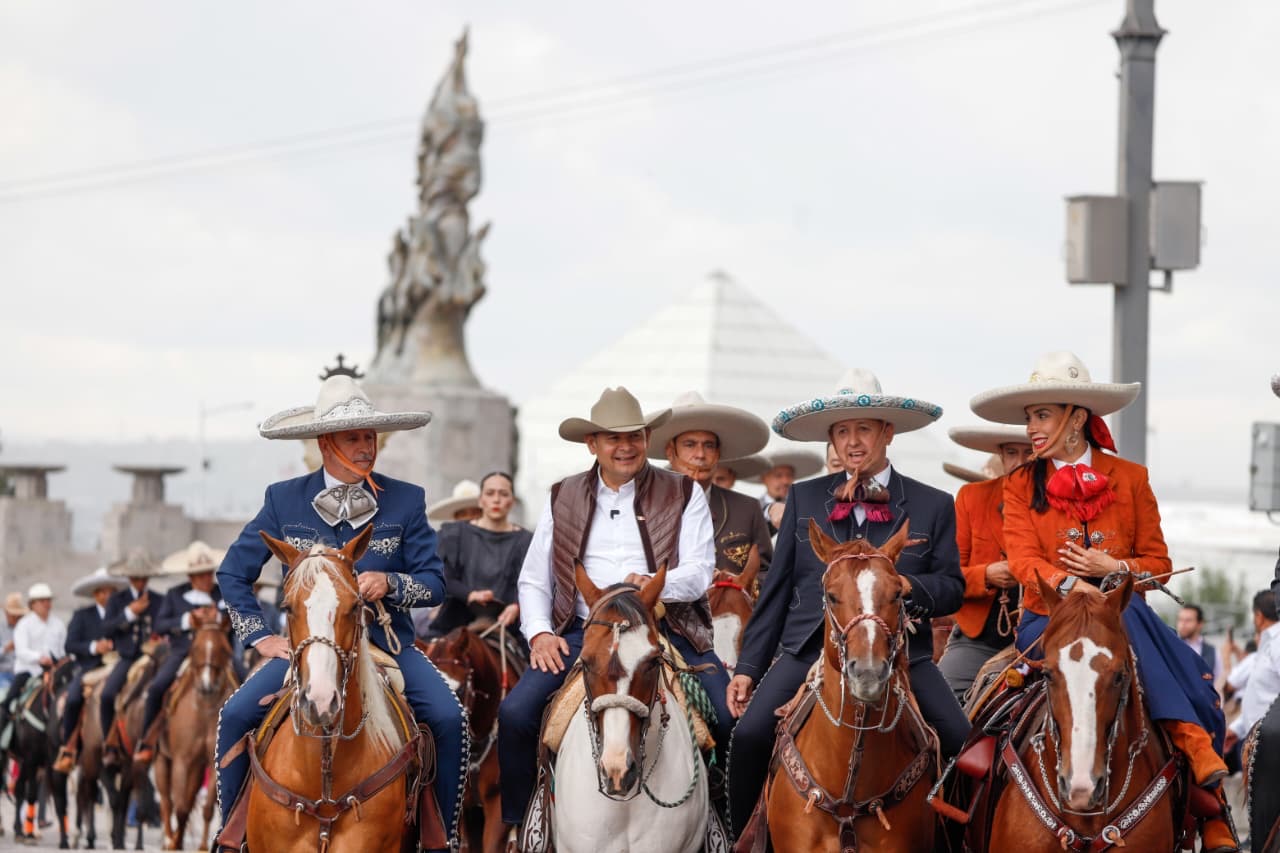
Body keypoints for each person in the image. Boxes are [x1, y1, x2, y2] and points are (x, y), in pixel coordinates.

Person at [971, 350, 1238, 852]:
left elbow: (1158, 565)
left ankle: (1212, 808)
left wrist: (1112, 568)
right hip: (1048, 619)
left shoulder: (1132, 478)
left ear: (1076, 418)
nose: (1031, 428)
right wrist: (1076, 588)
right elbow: (1024, 560)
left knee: (1199, 684)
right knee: (980, 713)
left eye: (1042, 415)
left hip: (1124, 617)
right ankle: (964, 811)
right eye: (1029, 417)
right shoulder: (1019, 484)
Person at [213, 375, 465, 853]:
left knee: (451, 719)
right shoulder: (283, 498)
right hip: (306, 650)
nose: (367, 447)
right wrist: (260, 636)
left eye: (370, 436)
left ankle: (440, 841)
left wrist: (391, 583)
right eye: (354, 438)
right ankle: (232, 836)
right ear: (325, 443)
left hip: (387, 647)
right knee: (235, 713)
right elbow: (232, 573)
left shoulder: (406, 499)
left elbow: (434, 584)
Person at [726, 368, 969, 837]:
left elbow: (952, 588)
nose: (852, 442)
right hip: (808, 648)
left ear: (887, 432)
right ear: (832, 439)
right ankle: (745, 841)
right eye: (841, 432)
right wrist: (748, 669)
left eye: (863, 429)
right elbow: (775, 593)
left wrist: (907, 587)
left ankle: (953, 842)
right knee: (750, 735)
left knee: (960, 738)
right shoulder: (803, 497)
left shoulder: (934, 503)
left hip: (902, 655)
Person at [497, 387, 717, 831]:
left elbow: (700, 573)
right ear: (591, 444)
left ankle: (721, 826)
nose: (625, 446)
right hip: (584, 630)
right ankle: (522, 828)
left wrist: (653, 584)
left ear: (648, 438)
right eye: (613, 438)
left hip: (663, 628)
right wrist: (540, 633)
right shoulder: (561, 495)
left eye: (634, 436)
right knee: (515, 714)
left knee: (730, 720)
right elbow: (534, 579)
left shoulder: (684, 491)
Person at [646, 390, 773, 740]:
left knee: (750, 718)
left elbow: (770, 572)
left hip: (735, 630)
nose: (700, 454)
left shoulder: (747, 508)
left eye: (708, 445)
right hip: (667, 626)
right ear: (670, 451)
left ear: (719, 453)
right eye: (690, 445)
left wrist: (737, 583)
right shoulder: (644, 504)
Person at [936, 424, 1033, 702]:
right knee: (942, 701)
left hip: (1045, 637)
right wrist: (987, 575)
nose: (1019, 462)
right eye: (1011, 453)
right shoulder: (972, 498)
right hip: (978, 638)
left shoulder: (1060, 503)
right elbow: (946, 575)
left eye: (1029, 453)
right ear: (1001, 455)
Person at [134, 541, 235, 764]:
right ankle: (147, 739)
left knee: (245, 679)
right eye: (201, 575)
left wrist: (218, 618)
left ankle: (250, 734)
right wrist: (187, 620)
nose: (206, 578)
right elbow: (160, 625)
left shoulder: (223, 594)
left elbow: (236, 618)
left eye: (208, 573)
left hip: (217, 654)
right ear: (191, 577)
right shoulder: (175, 595)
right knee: (157, 686)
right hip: (183, 652)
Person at [428, 471, 532, 638]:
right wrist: (470, 595)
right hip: (455, 622)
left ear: (512, 501)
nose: (496, 499)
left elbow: (533, 582)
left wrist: (517, 605)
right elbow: (441, 575)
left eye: (503, 494)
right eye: (490, 493)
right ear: (481, 500)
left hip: (509, 625)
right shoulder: (453, 534)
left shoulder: (527, 541)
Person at [54, 568, 126, 772]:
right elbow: (70, 645)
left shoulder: (124, 615)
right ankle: (69, 747)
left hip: (120, 665)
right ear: (96, 594)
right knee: (73, 699)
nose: (108, 596)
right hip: (89, 668)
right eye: (104, 592)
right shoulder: (82, 616)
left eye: (111, 591)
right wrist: (94, 647)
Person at [98, 548, 163, 748]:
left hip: (155, 657)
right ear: (129, 577)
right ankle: (109, 741)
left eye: (143, 578)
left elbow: (164, 626)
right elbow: (107, 629)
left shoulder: (159, 600)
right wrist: (130, 613)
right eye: (136, 578)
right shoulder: (117, 600)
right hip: (128, 657)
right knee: (107, 695)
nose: (140, 582)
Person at [0, 583, 66, 737]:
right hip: (28, 671)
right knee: (9, 700)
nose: (46, 604)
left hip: (53, 672)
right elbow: (21, 651)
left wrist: (58, 661)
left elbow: (63, 649)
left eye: (48, 600)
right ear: (33, 604)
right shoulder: (24, 625)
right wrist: (39, 658)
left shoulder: (58, 624)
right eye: (42, 601)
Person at [748, 449, 824, 534]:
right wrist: (769, 510)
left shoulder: (805, 507)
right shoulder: (750, 509)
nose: (785, 481)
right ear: (764, 479)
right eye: (778, 475)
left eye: (789, 475)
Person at [1179, 604, 1222, 684]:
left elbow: (1218, 682)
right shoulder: (1172, 647)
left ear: (1200, 624)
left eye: (1188, 620)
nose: (1182, 624)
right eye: (1180, 620)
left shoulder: (1213, 652)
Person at [0, 593, 27, 692]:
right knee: (5, 691)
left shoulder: (26, 630)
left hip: (24, 673)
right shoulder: (1, 630)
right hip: (4, 673)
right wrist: (6, 648)